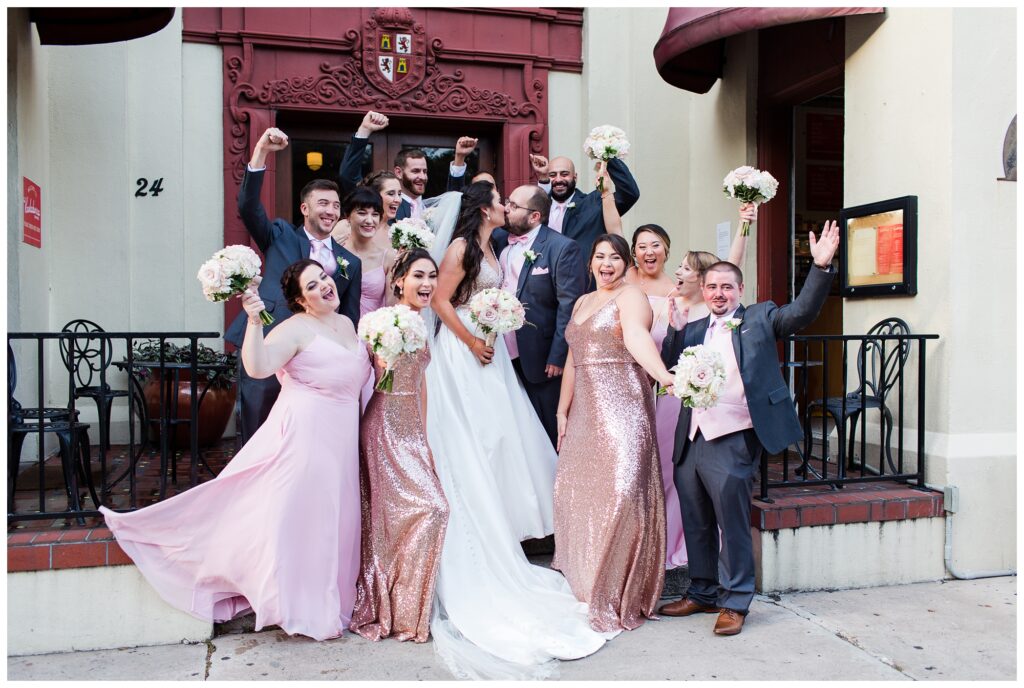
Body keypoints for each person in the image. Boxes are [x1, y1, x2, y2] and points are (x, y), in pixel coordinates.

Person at [101, 260, 370, 640]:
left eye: (324, 277)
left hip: (341, 436)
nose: (325, 285)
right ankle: (298, 603)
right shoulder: (293, 330)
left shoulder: (345, 324)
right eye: (313, 285)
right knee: (307, 517)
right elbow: (258, 367)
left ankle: (329, 599)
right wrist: (255, 322)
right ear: (300, 300)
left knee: (337, 517)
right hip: (307, 432)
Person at [423, 181, 612, 679]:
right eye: (502, 201)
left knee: (500, 441)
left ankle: (500, 528)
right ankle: (475, 529)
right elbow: (441, 301)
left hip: (489, 353)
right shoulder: (464, 245)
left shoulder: (494, 245)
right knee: (472, 439)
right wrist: (469, 340)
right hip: (464, 353)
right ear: (486, 208)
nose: (508, 207)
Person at [658, 221, 840, 636]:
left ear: (739, 291)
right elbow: (671, 364)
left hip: (734, 436)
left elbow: (801, 313)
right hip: (691, 438)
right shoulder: (695, 328)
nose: (718, 294)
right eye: (712, 287)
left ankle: (735, 600)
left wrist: (821, 268)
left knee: (732, 522)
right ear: (703, 291)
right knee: (696, 518)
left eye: (727, 287)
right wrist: (673, 327)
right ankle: (702, 592)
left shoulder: (760, 317)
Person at [553, 233, 673, 633]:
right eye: (600, 256)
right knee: (582, 495)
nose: (607, 263)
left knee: (623, 492)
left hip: (623, 407)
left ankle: (620, 589)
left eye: (615, 257)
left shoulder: (631, 296)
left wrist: (664, 377)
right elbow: (572, 359)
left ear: (626, 264)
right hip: (585, 408)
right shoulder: (583, 302)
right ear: (590, 262)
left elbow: (637, 338)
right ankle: (587, 584)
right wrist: (562, 410)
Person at [624, 205, 754, 569]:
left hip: (686, 401)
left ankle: (677, 546)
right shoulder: (660, 300)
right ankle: (657, 541)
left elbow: (731, 267)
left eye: (684, 267)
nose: (679, 271)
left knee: (676, 471)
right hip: (655, 392)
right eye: (679, 267)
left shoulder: (705, 307)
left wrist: (744, 225)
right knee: (659, 471)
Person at [226, 127, 362, 446]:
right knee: (259, 431)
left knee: (306, 439)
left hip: (316, 361)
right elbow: (248, 206)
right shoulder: (280, 235)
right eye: (322, 203)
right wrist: (261, 154)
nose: (330, 211)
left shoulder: (349, 263)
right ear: (305, 208)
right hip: (272, 342)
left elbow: (350, 318)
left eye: (335, 205)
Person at [351, 249, 449, 643]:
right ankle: (393, 607)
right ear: (398, 282)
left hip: (409, 426)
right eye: (418, 276)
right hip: (383, 424)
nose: (426, 284)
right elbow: (360, 375)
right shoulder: (379, 322)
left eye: (432, 277)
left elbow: (421, 383)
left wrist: (422, 438)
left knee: (416, 513)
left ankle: (409, 610)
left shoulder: (422, 323)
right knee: (430, 510)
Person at [492, 184, 585, 447]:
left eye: (514, 206)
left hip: (541, 359)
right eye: (507, 202)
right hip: (500, 355)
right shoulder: (498, 241)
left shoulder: (562, 248)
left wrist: (557, 355)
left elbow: (569, 306)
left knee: (546, 432)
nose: (506, 209)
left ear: (535, 216)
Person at [338, 110, 471, 219]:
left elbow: (454, 201)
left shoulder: (431, 209)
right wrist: (364, 130)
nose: (422, 177)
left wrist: (459, 158)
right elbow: (348, 177)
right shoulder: (385, 206)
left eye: (424, 171)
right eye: (416, 171)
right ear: (399, 172)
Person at [528, 151, 640, 260]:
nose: (558, 179)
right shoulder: (539, 208)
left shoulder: (596, 202)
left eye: (564, 174)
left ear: (575, 177)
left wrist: (608, 155)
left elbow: (629, 194)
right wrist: (543, 179)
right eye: (552, 175)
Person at [337, 187, 397, 318]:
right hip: (340, 331)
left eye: (375, 214)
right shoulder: (336, 253)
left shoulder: (388, 258)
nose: (369, 221)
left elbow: (392, 308)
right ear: (347, 216)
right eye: (362, 213)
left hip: (375, 333)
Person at [332, 170, 403, 253]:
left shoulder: (395, 234)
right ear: (374, 195)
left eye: (399, 194)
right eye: (391, 194)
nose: (398, 200)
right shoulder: (346, 226)